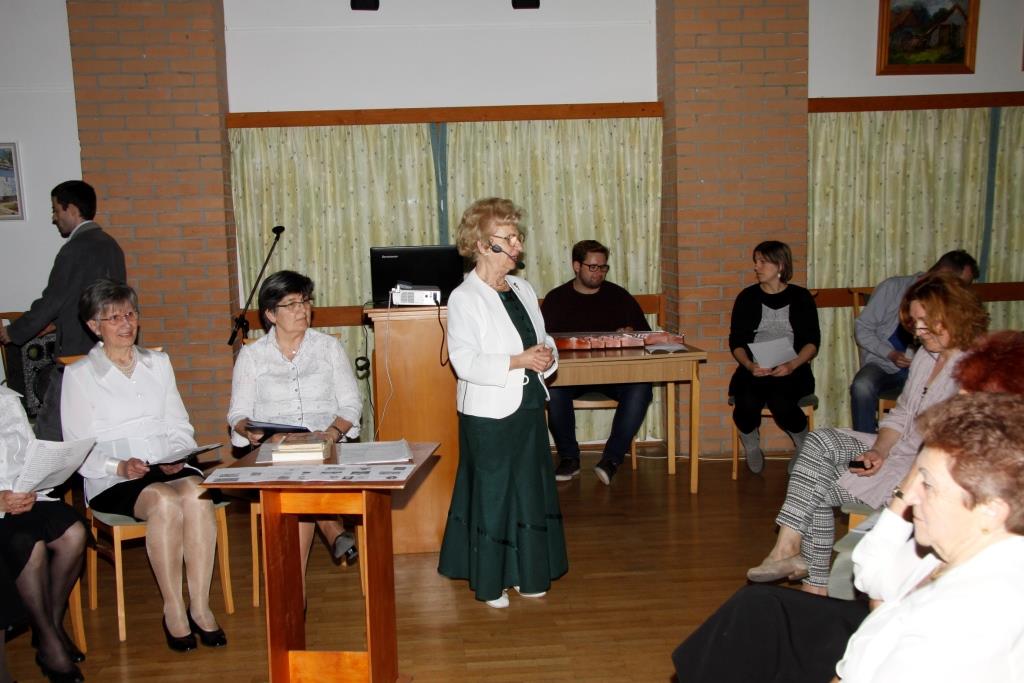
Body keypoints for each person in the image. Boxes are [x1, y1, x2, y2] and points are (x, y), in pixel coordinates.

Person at [671, 333, 1024, 682]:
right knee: (758, 604)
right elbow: (871, 576)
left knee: (761, 632)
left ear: (992, 507)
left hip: (871, 650)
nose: (910, 497)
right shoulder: (956, 528)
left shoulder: (975, 616)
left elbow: (873, 661)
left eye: (927, 485)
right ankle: (795, 556)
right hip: (875, 628)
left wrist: (881, 610)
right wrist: (904, 487)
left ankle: (799, 561)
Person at [746, 273, 989, 593]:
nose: (918, 331)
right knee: (819, 442)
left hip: (921, 471)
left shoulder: (976, 370)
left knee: (815, 487)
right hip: (897, 449)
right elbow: (901, 414)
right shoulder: (924, 356)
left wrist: (901, 468)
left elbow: (961, 448)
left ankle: (811, 583)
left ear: (954, 314)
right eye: (915, 322)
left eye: (925, 322)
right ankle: (790, 551)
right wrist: (879, 451)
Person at [61, 279, 227, 653]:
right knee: (164, 502)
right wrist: (119, 466)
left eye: (130, 314)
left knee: (197, 494)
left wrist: (178, 454)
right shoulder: (80, 375)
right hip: (112, 476)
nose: (126, 324)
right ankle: (174, 609)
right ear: (94, 325)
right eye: (114, 317)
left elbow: (179, 423)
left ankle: (200, 605)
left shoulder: (158, 363)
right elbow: (77, 447)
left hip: (164, 463)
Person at [437, 197, 568, 608]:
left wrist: (546, 356)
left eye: (518, 237)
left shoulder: (523, 288)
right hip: (488, 414)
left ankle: (529, 574)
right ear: (482, 244)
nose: (517, 246)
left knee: (530, 490)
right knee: (494, 494)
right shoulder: (464, 297)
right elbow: (465, 362)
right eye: (508, 238)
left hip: (529, 405)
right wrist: (519, 360)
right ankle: (493, 581)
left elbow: (542, 340)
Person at [228, 270, 363, 573]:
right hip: (277, 449)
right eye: (291, 304)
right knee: (295, 472)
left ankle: (294, 589)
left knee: (300, 479)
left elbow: (351, 404)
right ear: (270, 314)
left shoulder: (328, 348)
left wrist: (331, 433)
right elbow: (238, 415)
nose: (302, 310)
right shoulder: (252, 357)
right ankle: (332, 529)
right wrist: (257, 432)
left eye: (305, 301)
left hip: (325, 445)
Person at [0, 180, 126, 441]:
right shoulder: (110, 245)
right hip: (109, 352)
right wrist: (56, 323)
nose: (54, 218)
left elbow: (53, 300)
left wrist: (13, 332)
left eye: (56, 210)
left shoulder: (74, 250)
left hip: (76, 355)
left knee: (51, 431)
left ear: (72, 209)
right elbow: (93, 299)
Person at [541, 240, 653, 485]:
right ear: (576, 266)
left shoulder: (619, 296)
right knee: (553, 389)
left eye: (603, 267)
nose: (599, 272)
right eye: (593, 267)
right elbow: (542, 341)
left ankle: (611, 460)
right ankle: (569, 459)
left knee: (642, 387)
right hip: (570, 377)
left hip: (614, 376)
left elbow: (646, 336)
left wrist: (631, 334)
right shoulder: (556, 299)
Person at [1, 385, 87, 683]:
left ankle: (48, 623)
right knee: (31, 546)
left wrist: (36, 480)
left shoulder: (7, 399)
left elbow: (28, 452)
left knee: (74, 533)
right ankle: (50, 643)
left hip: (25, 495)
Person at [850, 249, 978, 433]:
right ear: (945, 274)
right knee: (862, 386)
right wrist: (890, 354)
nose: (961, 290)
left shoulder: (952, 305)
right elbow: (863, 328)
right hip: (884, 364)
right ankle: (864, 441)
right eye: (960, 283)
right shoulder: (893, 287)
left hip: (927, 369)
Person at [729, 240, 820, 474]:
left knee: (781, 401)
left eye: (762, 262)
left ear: (780, 265)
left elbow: (812, 342)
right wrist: (749, 365)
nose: (756, 267)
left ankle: (803, 443)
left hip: (793, 368)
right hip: (756, 367)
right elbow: (736, 341)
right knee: (746, 400)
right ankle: (751, 443)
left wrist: (792, 365)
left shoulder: (801, 297)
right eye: (755, 262)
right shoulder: (747, 297)